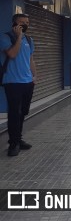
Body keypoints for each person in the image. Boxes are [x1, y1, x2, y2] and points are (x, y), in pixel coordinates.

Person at [1, 13, 37, 156]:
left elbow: (30, 59)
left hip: (28, 82)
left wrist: (35, 76)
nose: (25, 25)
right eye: (21, 22)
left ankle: (18, 138)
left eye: (27, 22)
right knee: (14, 113)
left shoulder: (29, 39)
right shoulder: (5, 38)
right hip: (12, 81)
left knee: (23, 113)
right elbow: (13, 54)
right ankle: (13, 144)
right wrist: (19, 37)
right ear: (14, 24)